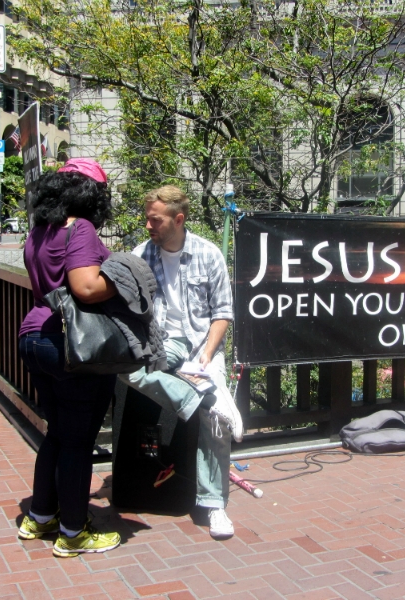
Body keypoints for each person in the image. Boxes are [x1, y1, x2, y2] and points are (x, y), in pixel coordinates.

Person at [122, 185, 242, 539]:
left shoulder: (207, 254)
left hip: (201, 346)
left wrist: (206, 357)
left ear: (178, 219)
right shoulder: (140, 254)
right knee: (123, 368)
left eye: (154, 220)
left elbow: (223, 313)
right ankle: (201, 396)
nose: (147, 226)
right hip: (160, 345)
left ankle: (213, 505)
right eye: (147, 219)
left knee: (215, 423)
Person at [18, 158, 121, 558]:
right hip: (72, 345)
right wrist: (126, 274)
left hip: (35, 336)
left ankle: (40, 516)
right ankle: (74, 532)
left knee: (58, 433)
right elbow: (86, 286)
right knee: (78, 441)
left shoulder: (40, 230)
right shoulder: (81, 228)